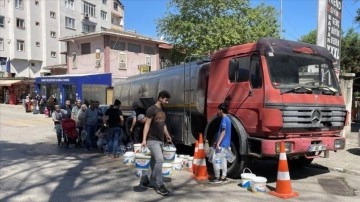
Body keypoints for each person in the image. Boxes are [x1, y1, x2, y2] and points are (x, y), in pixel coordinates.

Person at [141, 90, 172, 196]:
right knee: (160, 160)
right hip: (152, 140)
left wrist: (167, 135)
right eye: (166, 100)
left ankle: (145, 181)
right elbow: (147, 125)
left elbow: (163, 125)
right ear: (160, 98)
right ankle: (159, 185)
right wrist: (144, 140)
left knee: (153, 162)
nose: (167, 102)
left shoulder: (163, 110)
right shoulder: (151, 109)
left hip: (160, 140)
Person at [209, 103, 231, 184]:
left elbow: (223, 132)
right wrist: (217, 141)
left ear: (221, 110)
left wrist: (218, 143)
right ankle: (223, 177)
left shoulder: (224, 119)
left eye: (218, 110)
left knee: (216, 160)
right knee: (223, 161)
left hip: (222, 145)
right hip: (226, 144)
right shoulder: (228, 119)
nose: (217, 112)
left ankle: (217, 177)